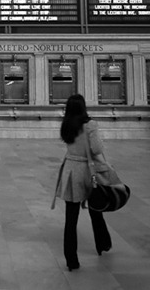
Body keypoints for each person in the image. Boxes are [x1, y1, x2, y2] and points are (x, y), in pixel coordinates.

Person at [52, 94, 111, 272]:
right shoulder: (90, 125)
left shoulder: (67, 124)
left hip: (70, 170)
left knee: (71, 219)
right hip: (87, 171)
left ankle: (72, 260)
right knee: (96, 209)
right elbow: (97, 149)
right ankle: (102, 243)